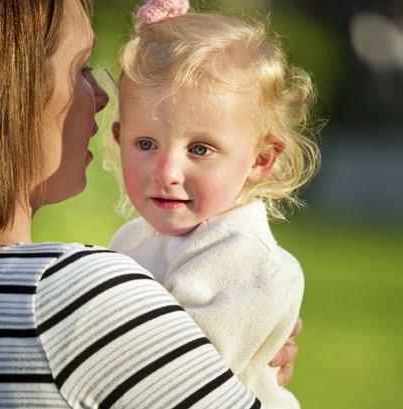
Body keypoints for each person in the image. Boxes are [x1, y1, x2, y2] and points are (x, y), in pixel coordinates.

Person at [0, 0, 301, 408]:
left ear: (262, 159)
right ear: (8, 90)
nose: (102, 95)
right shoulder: (75, 300)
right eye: (82, 68)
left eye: (201, 148)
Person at [108, 1, 320, 408]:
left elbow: (172, 385)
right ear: (119, 139)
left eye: (200, 149)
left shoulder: (246, 261)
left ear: (260, 159)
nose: (167, 171)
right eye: (146, 144)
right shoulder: (132, 238)